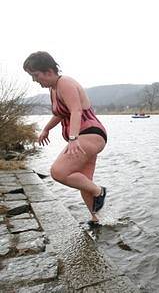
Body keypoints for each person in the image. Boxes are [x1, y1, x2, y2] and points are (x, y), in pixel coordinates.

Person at [23, 51, 107, 226]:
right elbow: (62, 114)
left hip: (89, 133)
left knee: (59, 172)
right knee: (84, 182)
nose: (35, 80)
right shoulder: (54, 89)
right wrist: (46, 129)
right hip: (86, 136)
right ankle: (99, 219)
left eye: (35, 75)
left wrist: (73, 138)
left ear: (48, 71)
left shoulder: (65, 83)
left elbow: (76, 110)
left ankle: (100, 191)